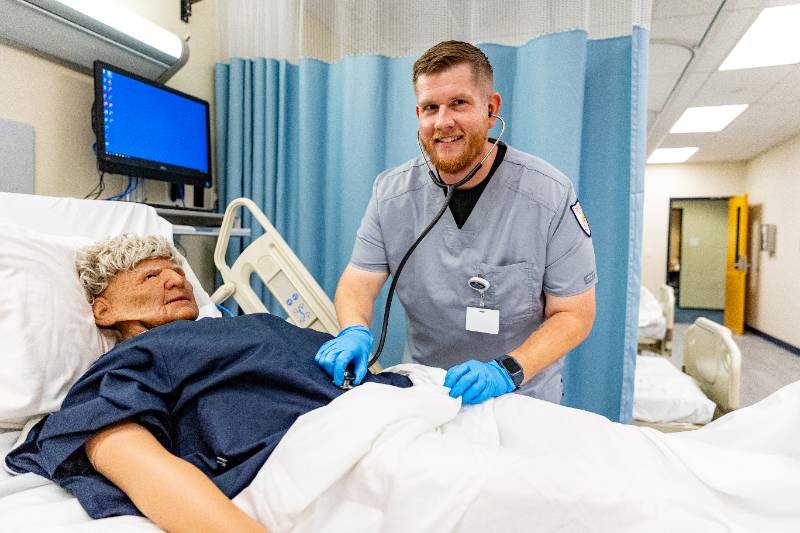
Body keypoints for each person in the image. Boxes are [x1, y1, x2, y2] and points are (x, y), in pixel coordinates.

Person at [5, 234, 411, 533]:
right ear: (104, 310)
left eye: (176, 271)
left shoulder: (239, 326)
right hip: (335, 455)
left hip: (397, 410)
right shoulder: (135, 359)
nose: (176, 281)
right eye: (150, 275)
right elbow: (126, 453)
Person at [316, 40, 597, 405]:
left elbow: (574, 313)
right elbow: (358, 282)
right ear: (419, 114)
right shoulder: (391, 195)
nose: (443, 121)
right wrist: (354, 329)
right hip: (427, 393)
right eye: (431, 107)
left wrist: (506, 371)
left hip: (521, 395)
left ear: (491, 109)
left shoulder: (549, 195)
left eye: (459, 103)